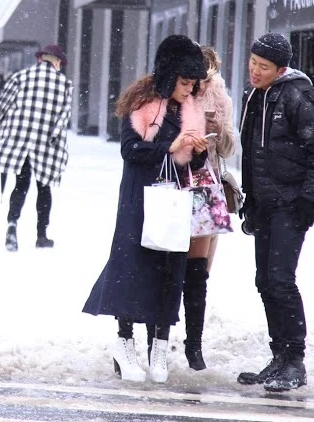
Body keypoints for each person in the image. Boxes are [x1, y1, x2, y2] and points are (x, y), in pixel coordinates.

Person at [82, 35, 209, 384]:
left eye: (194, 83)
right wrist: (170, 146)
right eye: (185, 82)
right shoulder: (143, 103)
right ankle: (123, 344)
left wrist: (196, 150)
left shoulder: (191, 108)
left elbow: (195, 161)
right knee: (132, 267)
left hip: (174, 199)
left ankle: (159, 345)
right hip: (139, 198)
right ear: (170, 77)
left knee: (170, 269)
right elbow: (130, 149)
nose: (189, 89)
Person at [237, 33, 314, 392]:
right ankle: (279, 356)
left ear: (281, 69)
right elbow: (251, 153)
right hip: (264, 204)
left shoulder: (300, 97)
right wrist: (249, 198)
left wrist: (307, 200)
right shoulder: (255, 97)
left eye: (263, 67)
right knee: (264, 281)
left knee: (281, 280)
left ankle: (295, 360)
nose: (254, 71)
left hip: (289, 204)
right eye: (252, 63)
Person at [0, 45, 72, 251]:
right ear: (57, 62)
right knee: (44, 188)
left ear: (40, 59)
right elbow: (62, 119)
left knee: (20, 185)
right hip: (45, 144)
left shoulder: (20, 78)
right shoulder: (65, 84)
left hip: (19, 140)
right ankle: (42, 235)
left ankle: (12, 226)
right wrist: (53, 140)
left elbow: (1, 108)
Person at [182, 46, 237, 371]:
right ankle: (161, 338)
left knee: (199, 273)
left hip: (207, 188)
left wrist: (219, 122)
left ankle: (194, 345)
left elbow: (230, 148)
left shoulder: (220, 98)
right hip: (176, 186)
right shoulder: (177, 94)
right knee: (173, 269)